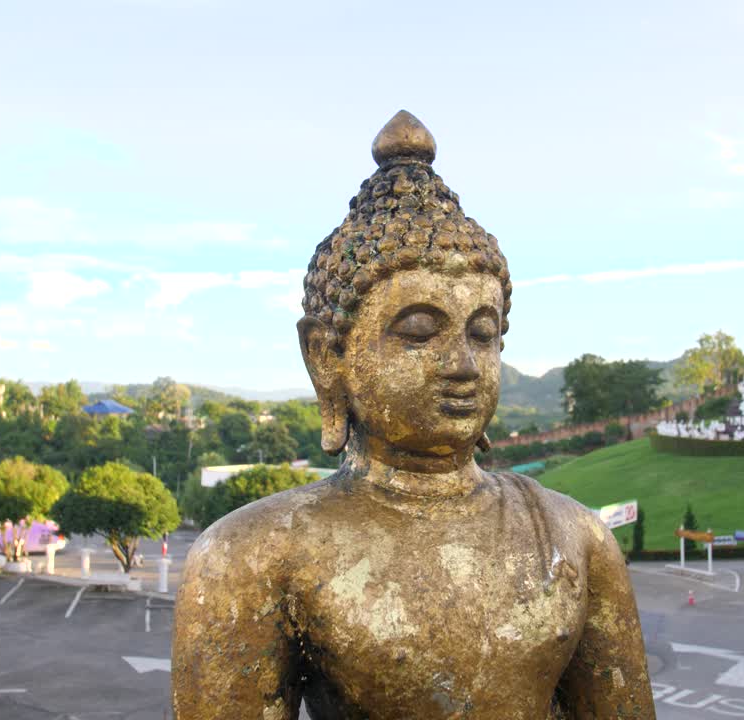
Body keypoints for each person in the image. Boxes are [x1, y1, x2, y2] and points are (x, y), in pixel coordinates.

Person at [172, 112, 654, 719]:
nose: (463, 365)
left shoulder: (575, 538)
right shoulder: (252, 555)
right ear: (328, 358)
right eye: (420, 332)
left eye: (483, 334)